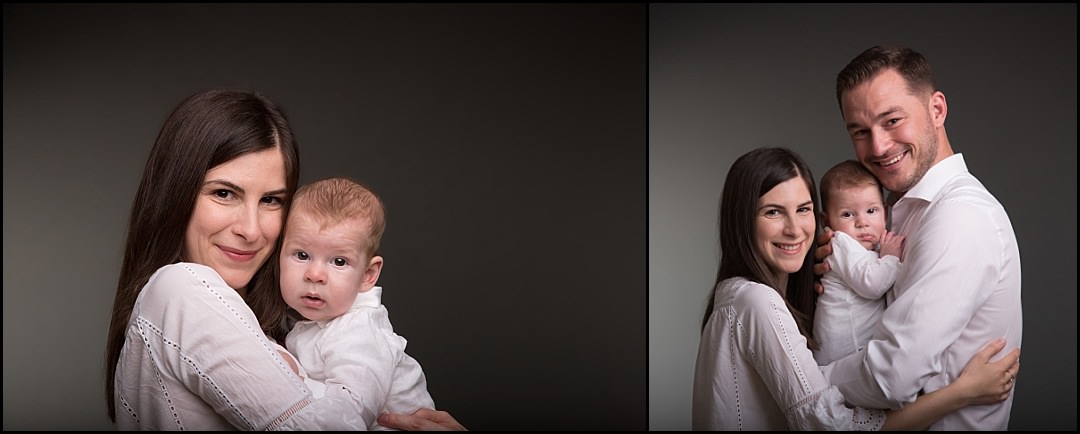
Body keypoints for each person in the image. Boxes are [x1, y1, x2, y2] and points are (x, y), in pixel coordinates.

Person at [103, 88, 465, 430]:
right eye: (225, 193)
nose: (251, 229)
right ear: (175, 195)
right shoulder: (181, 290)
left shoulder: (287, 328)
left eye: (271, 200)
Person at [692, 147, 1019, 431]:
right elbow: (830, 426)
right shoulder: (756, 301)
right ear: (742, 219)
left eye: (802, 209)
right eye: (773, 212)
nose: (794, 229)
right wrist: (962, 393)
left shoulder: (737, 296)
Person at [815, 45, 1023, 430]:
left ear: (937, 110)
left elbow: (892, 375)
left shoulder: (960, 217)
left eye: (892, 120)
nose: (877, 147)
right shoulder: (898, 213)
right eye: (860, 132)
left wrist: (806, 378)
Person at [279, 176, 435, 430]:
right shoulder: (318, 320)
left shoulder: (359, 332)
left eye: (339, 261)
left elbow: (348, 416)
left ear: (367, 275)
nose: (315, 274)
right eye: (302, 255)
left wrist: (292, 380)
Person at [812, 159, 904, 366]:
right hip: (843, 353)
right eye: (847, 214)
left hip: (856, 349)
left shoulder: (869, 248)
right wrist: (891, 257)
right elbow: (872, 284)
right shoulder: (840, 243)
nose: (862, 222)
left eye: (871, 211)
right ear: (826, 222)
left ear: (885, 213)